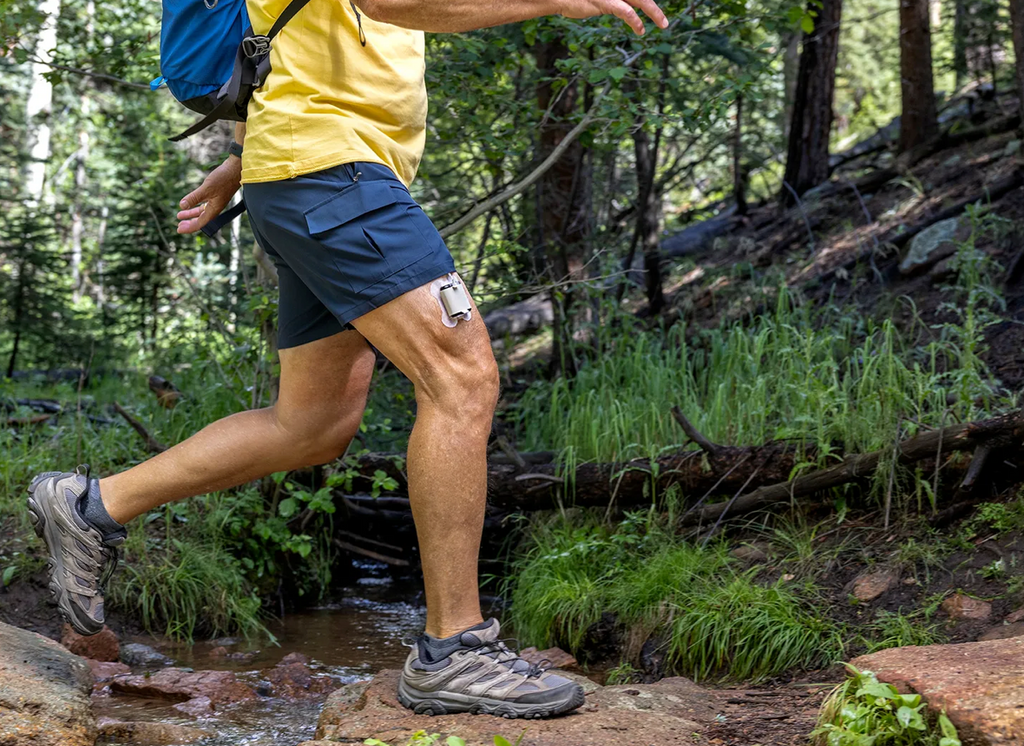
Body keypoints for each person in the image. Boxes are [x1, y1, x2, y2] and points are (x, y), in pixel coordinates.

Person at [27, 0, 668, 719]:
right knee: (462, 377)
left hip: (312, 168)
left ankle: (91, 505)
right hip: (331, 173)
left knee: (313, 422)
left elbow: (299, 37)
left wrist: (244, 161)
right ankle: (454, 649)